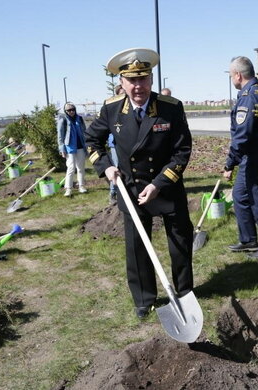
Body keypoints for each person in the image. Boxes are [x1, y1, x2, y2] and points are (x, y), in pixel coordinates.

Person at [85, 48, 194, 319]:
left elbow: (182, 151)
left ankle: (184, 291)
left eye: (143, 79)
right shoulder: (111, 110)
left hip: (166, 186)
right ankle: (144, 299)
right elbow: (92, 140)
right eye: (131, 80)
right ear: (121, 83)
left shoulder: (170, 108)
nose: (138, 87)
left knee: (180, 243)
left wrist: (158, 184)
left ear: (151, 80)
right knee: (136, 248)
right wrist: (106, 166)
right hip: (132, 188)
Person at [223, 56, 258, 260]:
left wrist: (230, 162)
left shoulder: (250, 95)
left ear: (238, 75)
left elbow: (243, 134)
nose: (232, 79)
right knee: (239, 196)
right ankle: (248, 239)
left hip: (256, 156)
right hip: (252, 156)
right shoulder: (257, 91)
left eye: (231, 75)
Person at [57, 102, 87, 197]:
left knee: (81, 167)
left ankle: (81, 186)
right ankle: (68, 188)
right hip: (69, 147)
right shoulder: (63, 120)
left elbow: (84, 131)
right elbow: (60, 136)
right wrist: (62, 149)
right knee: (71, 168)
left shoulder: (80, 119)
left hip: (80, 146)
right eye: (69, 110)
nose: (71, 112)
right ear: (65, 111)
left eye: (73, 109)